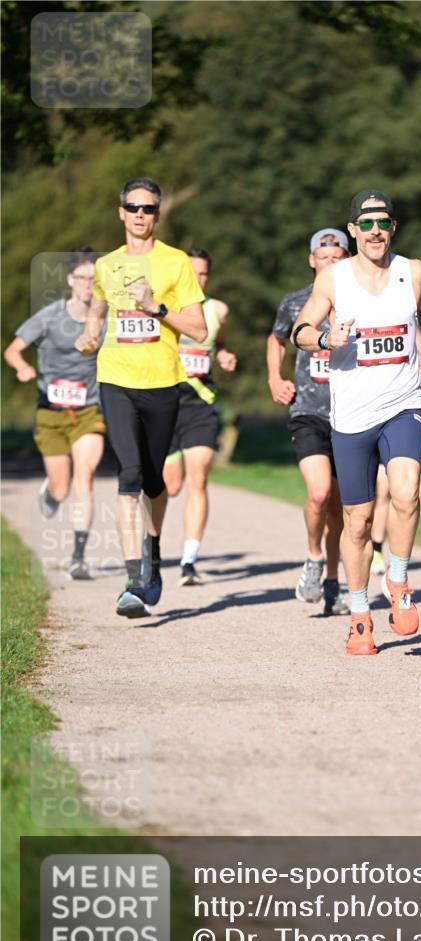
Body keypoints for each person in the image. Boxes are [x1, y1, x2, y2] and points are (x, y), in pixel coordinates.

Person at [291, 190, 421, 654]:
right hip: (352, 415)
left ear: (393, 228)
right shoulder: (334, 278)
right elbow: (299, 332)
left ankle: (398, 580)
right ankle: (360, 615)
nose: (375, 230)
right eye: (366, 223)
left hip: (402, 403)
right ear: (353, 230)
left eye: (383, 222)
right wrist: (327, 338)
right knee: (358, 521)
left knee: (407, 493)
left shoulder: (413, 271)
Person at [75, 177, 207, 618]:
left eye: (148, 208)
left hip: (163, 383)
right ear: (121, 212)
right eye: (133, 207)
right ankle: (133, 581)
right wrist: (91, 332)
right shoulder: (106, 265)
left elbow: (199, 329)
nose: (139, 214)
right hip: (115, 379)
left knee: (154, 482)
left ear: (157, 214)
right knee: (129, 475)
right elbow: (97, 307)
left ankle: (153, 548)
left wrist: (156, 308)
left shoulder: (175, 262)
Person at [4, 247, 106, 579]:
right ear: (70, 279)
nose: (88, 284)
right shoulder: (49, 316)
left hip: (89, 409)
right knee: (62, 489)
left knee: (84, 477)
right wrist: (22, 368)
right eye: (82, 277)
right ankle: (51, 490)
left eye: (94, 279)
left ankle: (78, 557)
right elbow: (13, 350)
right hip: (51, 414)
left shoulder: (105, 320)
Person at [267, 228, 351, 617]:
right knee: (319, 494)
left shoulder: (361, 300)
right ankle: (314, 556)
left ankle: (332, 582)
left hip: (351, 414)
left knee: (340, 507)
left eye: (338, 257)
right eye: (324, 256)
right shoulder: (295, 302)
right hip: (308, 412)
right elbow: (275, 340)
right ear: (312, 260)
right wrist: (275, 378)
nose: (330, 262)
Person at [162, 248, 237, 585]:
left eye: (204, 273)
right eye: (192, 272)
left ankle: (189, 561)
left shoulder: (217, 310)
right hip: (166, 405)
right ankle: (151, 545)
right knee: (170, 486)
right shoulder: (163, 308)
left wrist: (224, 356)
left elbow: (219, 342)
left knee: (199, 476)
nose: (198, 279)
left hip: (201, 405)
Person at [370, 329, 421, 575]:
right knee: (363, 497)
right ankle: (360, 542)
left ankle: (378, 549)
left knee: (385, 488)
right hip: (362, 412)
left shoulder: (405, 314)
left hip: (398, 413)